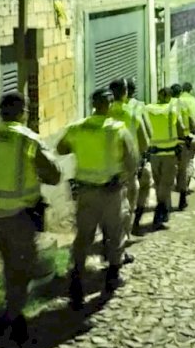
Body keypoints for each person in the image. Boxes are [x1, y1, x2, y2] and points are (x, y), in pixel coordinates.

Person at [0, 91, 61, 346]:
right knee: (26, 267)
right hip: (18, 214)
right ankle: (5, 324)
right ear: (22, 112)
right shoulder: (27, 140)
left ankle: (15, 316)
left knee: (11, 262)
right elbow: (53, 175)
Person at [57, 88, 137, 309]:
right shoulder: (118, 130)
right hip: (111, 191)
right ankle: (112, 276)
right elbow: (132, 161)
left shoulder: (78, 127)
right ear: (110, 105)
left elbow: (61, 148)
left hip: (85, 192)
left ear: (93, 103)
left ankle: (76, 280)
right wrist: (123, 178)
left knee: (83, 236)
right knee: (114, 233)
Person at [109, 78, 149, 247]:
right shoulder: (132, 113)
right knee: (129, 200)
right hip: (127, 165)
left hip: (106, 164)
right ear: (125, 92)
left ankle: (108, 235)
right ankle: (124, 236)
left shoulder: (104, 111)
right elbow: (145, 141)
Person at [145, 87, 186, 226]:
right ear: (169, 97)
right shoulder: (172, 110)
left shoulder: (148, 108)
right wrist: (184, 137)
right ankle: (161, 208)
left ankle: (164, 208)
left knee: (158, 184)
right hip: (169, 152)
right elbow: (180, 128)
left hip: (154, 153)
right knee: (166, 184)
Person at [126, 77, 153, 235]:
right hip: (133, 158)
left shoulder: (108, 108)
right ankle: (135, 220)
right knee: (144, 184)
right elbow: (148, 133)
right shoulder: (139, 107)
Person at [171, 82, 195, 210]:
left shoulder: (165, 105)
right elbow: (193, 121)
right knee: (182, 171)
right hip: (182, 141)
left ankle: (164, 204)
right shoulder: (184, 105)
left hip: (168, 144)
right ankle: (182, 199)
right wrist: (190, 132)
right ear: (180, 93)